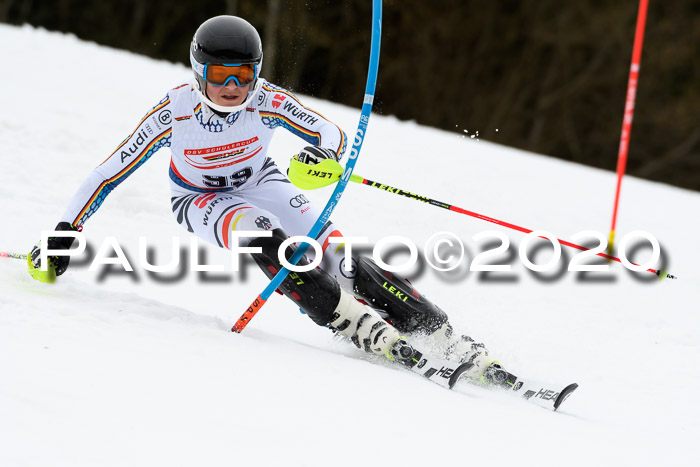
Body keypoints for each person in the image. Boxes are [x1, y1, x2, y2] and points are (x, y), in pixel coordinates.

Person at [28, 15, 502, 384]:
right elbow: (107, 172)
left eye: (243, 76)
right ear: (198, 73)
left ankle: (438, 332)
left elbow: (330, 133)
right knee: (266, 237)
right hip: (201, 199)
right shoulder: (174, 111)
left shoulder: (266, 99)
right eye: (220, 77)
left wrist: (321, 157)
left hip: (263, 181)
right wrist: (65, 232)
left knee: (341, 257)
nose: (233, 89)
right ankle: (352, 322)